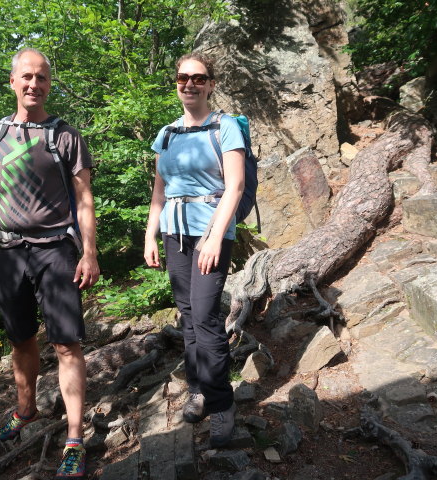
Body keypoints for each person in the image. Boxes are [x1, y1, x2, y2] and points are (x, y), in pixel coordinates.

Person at [0, 47, 99, 479]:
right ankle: (25, 410)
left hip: (56, 248)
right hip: (5, 251)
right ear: (12, 82)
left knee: (66, 343)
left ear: (49, 85)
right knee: (20, 339)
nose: (33, 84)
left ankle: (75, 438)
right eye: (26, 76)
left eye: (41, 78)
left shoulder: (65, 136)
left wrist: (91, 252)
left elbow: (84, 199)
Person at [144, 52, 245, 448]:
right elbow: (159, 190)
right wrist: (150, 235)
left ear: (211, 84)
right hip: (174, 233)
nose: (190, 84)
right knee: (187, 316)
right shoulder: (166, 134)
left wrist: (216, 237)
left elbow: (234, 186)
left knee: (205, 318)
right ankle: (198, 389)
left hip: (210, 233)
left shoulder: (227, 127)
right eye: (183, 78)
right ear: (176, 83)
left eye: (198, 78)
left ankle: (221, 405)